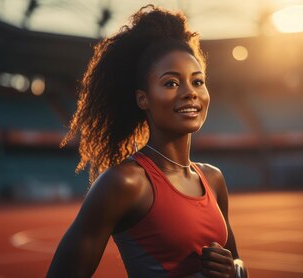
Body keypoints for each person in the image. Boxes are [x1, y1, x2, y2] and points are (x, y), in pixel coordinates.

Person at [47, 5, 247, 278]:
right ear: (143, 99)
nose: (190, 93)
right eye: (171, 83)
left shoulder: (213, 179)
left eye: (198, 82)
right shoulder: (125, 182)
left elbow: (237, 264)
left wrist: (234, 270)